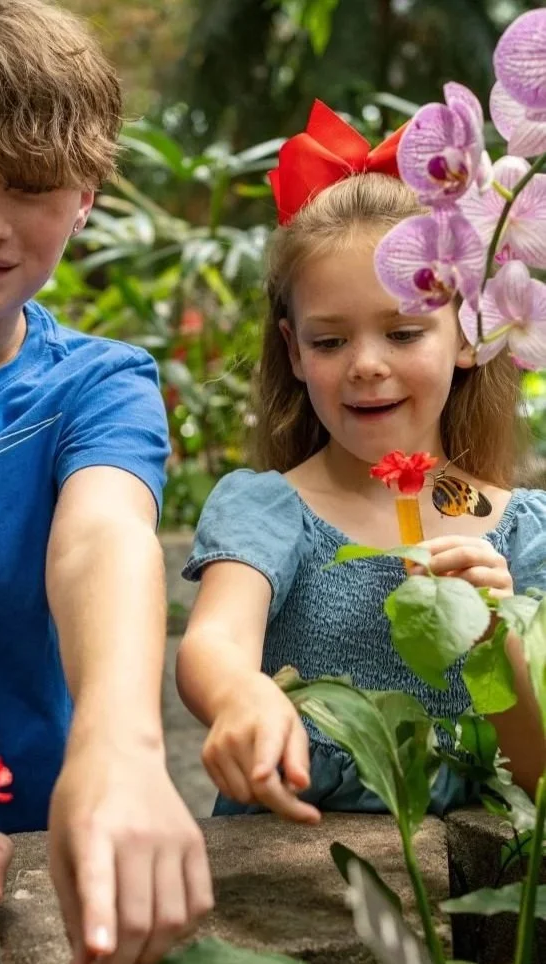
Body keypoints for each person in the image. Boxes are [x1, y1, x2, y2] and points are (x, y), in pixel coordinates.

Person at [0, 0, 212, 964]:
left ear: (86, 197)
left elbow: (102, 537)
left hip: (35, 840)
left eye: (28, 186)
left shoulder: (102, 386)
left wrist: (122, 743)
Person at [175, 103, 546, 827]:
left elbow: (534, 774)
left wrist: (496, 639)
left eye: (403, 332)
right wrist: (237, 695)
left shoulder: (521, 537)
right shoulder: (268, 510)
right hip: (288, 889)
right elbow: (216, 639)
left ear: (470, 329)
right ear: (292, 350)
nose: (366, 366)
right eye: (329, 342)